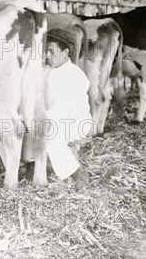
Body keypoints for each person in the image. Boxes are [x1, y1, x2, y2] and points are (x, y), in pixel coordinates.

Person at [43, 29, 93, 189]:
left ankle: (78, 173)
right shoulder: (45, 71)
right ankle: (33, 167)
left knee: (50, 133)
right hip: (51, 118)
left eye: (52, 51)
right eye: (46, 52)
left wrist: (41, 118)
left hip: (75, 120)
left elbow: (63, 108)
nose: (47, 56)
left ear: (66, 52)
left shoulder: (76, 75)